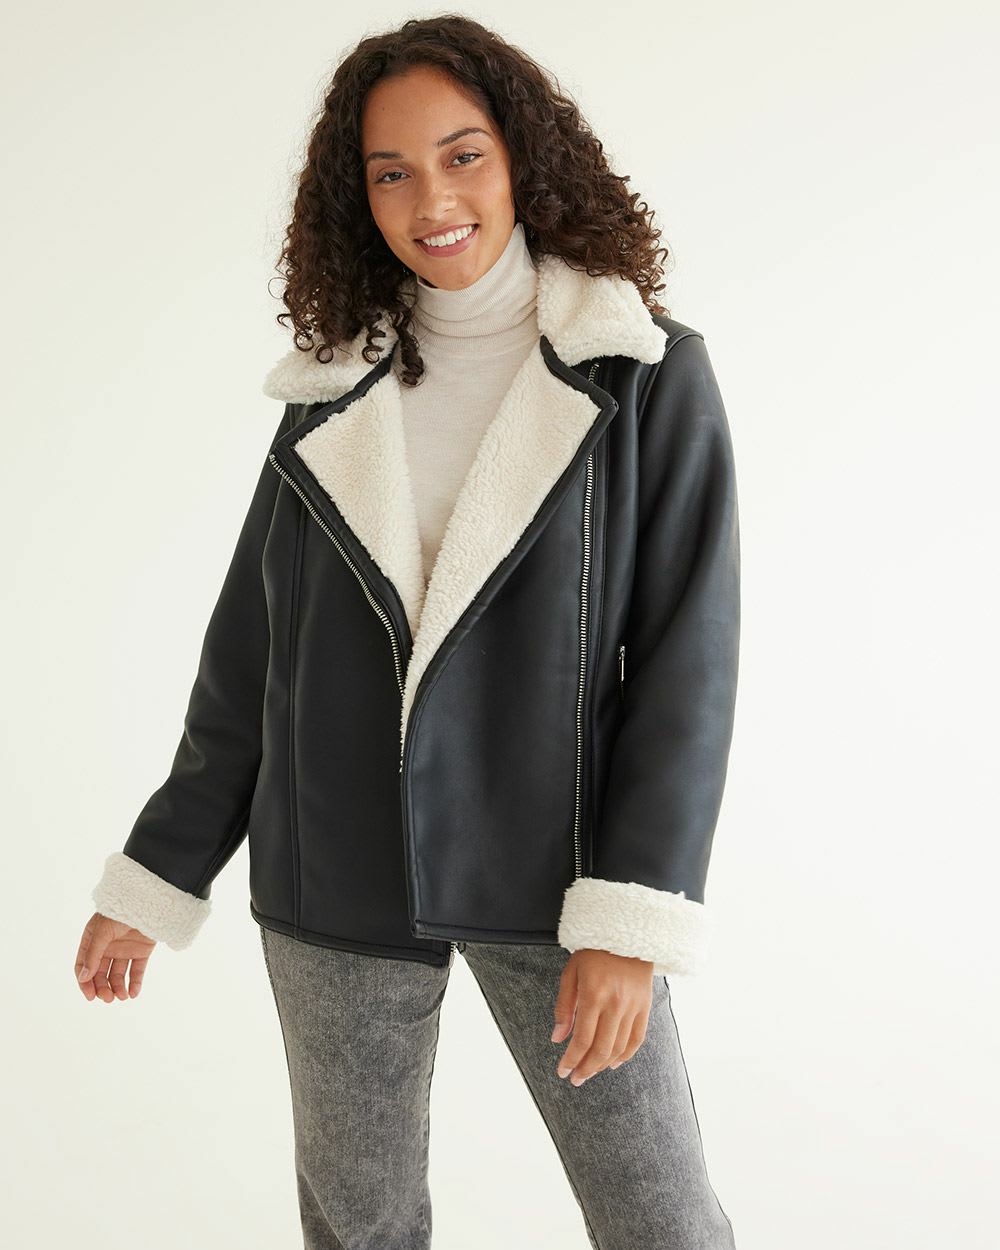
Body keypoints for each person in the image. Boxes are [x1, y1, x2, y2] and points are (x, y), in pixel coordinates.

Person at [74, 15, 740, 1249]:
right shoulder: (332, 389)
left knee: (659, 1214)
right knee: (358, 1226)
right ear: (358, 195)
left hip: (558, 863)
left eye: (461, 155)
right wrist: (159, 874)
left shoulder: (641, 370)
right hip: (333, 860)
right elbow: (249, 656)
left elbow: (684, 671)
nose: (431, 200)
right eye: (390, 172)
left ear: (523, 156)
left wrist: (630, 917)